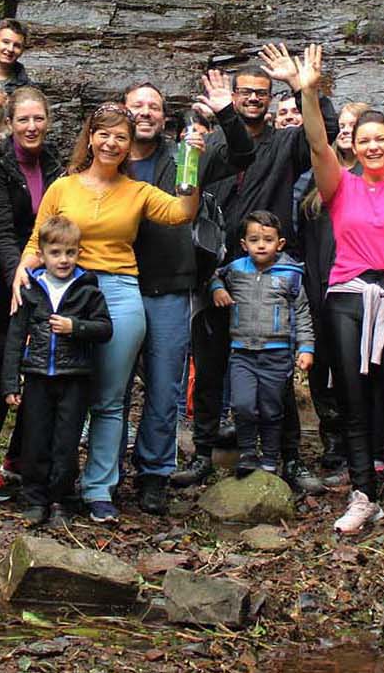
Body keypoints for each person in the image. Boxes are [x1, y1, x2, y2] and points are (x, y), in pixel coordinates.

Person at [277, 36, 384, 546]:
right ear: (354, 144)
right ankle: (363, 496)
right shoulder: (339, 185)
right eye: (365, 139)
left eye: (382, 138)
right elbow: (315, 144)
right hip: (348, 296)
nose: (372, 145)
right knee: (352, 398)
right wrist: (307, 93)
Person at [14, 102, 201, 523]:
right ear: (91, 137)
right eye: (105, 134)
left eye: (121, 136)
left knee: (110, 400)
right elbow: (36, 239)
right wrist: (20, 278)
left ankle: (100, 488)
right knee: (60, 392)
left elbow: (182, 213)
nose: (112, 142)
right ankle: (54, 486)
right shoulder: (64, 187)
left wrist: (193, 160)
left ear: (129, 144)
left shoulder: (138, 192)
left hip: (118, 293)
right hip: (67, 289)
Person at [174, 65, 337, 495]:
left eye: (261, 93)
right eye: (244, 92)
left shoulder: (287, 143)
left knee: (276, 373)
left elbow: (330, 129)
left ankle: (290, 457)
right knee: (209, 368)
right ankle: (203, 453)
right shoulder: (210, 141)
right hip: (216, 270)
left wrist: (304, 87)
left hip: (269, 276)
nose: (252, 99)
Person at [124, 74, 253, 514]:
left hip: (169, 287)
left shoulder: (185, 156)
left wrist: (225, 113)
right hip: (116, 284)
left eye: (153, 107)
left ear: (164, 118)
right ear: (123, 111)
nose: (145, 113)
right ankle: (102, 475)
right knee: (112, 389)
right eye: (137, 105)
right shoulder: (108, 155)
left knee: (163, 388)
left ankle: (154, 475)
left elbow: (242, 154)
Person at [0, 86, 65, 501]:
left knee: (43, 366)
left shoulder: (56, 164)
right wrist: (18, 281)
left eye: (37, 119)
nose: (31, 127)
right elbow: (1, 231)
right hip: (6, 276)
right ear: (9, 123)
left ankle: (18, 456)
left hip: (47, 278)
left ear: (47, 121)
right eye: (22, 119)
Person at [3, 216, 112, 528]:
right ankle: (34, 499)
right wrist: (11, 381)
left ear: (79, 253)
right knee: (35, 439)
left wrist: (75, 327)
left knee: (66, 442)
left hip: (74, 376)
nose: (63, 260)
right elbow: (15, 335)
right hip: (37, 375)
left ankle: (61, 500)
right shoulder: (31, 287)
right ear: (43, 254)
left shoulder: (87, 289)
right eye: (56, 253)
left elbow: (105, 328)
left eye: (70, 252)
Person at [295, 101, 369, 477]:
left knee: (352, 366)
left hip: (355, 286)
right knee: (319, 363)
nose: (344, 130)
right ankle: (332, 438)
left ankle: (359, 443)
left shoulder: (371, 175)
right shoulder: (318, 175)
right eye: (340, 124)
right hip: (316, 280)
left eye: (352, 125)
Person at [210, 211, 314, 476]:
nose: (261, 245)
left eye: (267, 239)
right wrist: (217, 289)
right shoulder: (236, 270)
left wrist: (306, 347)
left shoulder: (290, 274)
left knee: (271, 408)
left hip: (277, 354)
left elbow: (302, 313)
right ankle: (247, 453)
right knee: (243, 405)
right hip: (242, 352)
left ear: (279, 243)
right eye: (254, 239)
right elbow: (214, 275)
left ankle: (269, 457)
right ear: (244, 244)